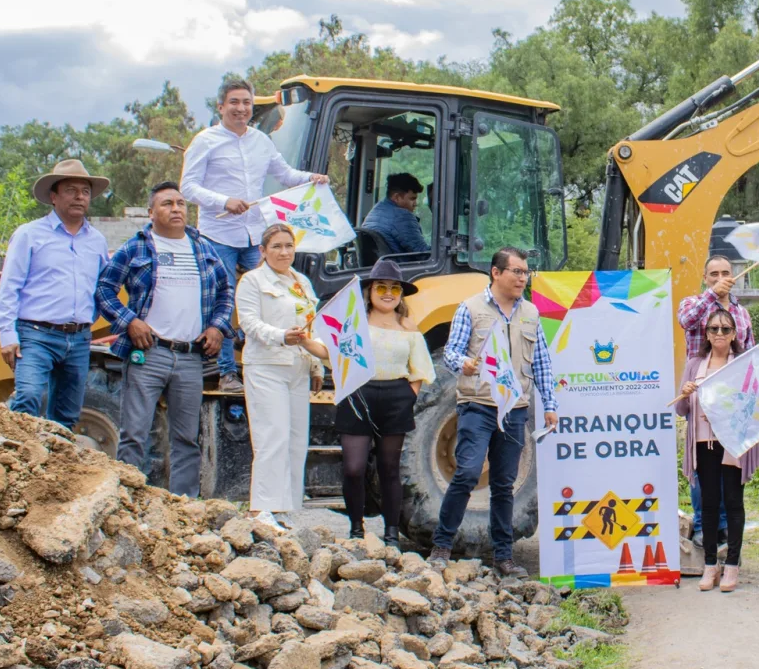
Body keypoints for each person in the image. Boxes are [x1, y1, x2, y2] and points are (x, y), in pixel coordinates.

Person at [180, 76, 329, 393]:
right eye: (234, 102)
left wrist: (312, 178)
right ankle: (227, 372)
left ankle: (267, 360)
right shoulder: (204, 141)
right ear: (221, 107)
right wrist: (223, 201)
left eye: (246, 102)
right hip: (219, 233)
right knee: (224, 300)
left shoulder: (262, 141)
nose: (241, 108)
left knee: (270, 291)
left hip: (254, 236)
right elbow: (187, 187)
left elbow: (285, 174)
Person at [96, 181, 235, 496]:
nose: (176, 209)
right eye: (167, 203)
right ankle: (127, 501)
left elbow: (226, 293)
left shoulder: (203, 248)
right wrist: (129, 322)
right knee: (134, 433)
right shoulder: (137, 247)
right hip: (148, 354)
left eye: (181, 204)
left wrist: (216, 327)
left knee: (186, 438)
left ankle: (183, 508)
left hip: (190, 357)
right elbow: (104, 289)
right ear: (151, 212)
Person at [428, 247, 560, 576]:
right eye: (516, 271)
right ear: (496, 273)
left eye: (525, 272)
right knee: (468, 473)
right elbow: (452, 354)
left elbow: (542, 362)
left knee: (504, 483)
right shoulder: (470, 309)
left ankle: (504, 557)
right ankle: (442, 546)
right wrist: (465, 364)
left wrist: (551, 405)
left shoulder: (530, 313)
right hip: (478, 405)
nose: (522, 278)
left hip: (514, 410)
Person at [0, 159, 112, 430]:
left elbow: (104, 288)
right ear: (54, 196)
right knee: (28, 398)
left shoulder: (96, 240)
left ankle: (55, 467)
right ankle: (13, 458)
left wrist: (92, 319)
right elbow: (9, 287)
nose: (79, 197)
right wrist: (7, 335)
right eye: (71, 190)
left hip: (79, 338)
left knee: (68, 414)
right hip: (37, 334)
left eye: (85, 191)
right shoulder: (29, 235)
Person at [337, 258, 435, 543]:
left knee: (389, 468)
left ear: (401, 294)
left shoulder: (408, 326)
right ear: (370, 290)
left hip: (395, 398)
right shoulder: (354, 322)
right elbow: (334, 352)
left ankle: (391, 533)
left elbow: (420, 367)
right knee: (353, 468)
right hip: (358, 394)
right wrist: (305, 343)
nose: (388, 292)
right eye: (381, 287)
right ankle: (357, 528)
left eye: (394, 288)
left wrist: (408, 397)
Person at [236, 224, 327, 527]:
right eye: (276, 246)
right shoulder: (252, 281)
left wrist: (317, 365)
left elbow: (313, 325)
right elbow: (249, 322)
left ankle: (284, 509)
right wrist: (280, 336)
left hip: (299, 367)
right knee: (271, 435)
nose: (284, 252)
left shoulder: (301, 282)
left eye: (289, 246)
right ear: (262, 251)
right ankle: (261, 508)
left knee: (296, 440)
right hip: (266, 366)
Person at [676, 308, 759, 592]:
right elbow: (680, 409)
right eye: (714, 329)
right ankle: (710, 565)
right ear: (706, 333)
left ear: (735, 334)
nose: (720, 334)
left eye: (726, 329)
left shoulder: (743, 364)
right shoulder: (694, 364)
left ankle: (733, 565)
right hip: (703, 443)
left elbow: (755, 404)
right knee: (709, 504)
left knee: (734, 503)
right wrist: (686, 394)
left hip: (732, 443)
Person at [676, 254, 755, 545]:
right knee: (702, 464)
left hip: (732, 398)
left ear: (733, 275)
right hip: (700, 394)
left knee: (729, 465)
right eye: (714, 274)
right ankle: (703, 525)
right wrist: (713, 294)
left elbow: (750, 352)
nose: (720, 278)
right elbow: (686, 321)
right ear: (705, 278)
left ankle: (724, 529)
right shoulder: (693, 303)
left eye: (725, 273)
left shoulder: (742, 313)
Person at [361, 173, 430, 255]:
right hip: (401, 266)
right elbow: (423, 253)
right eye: (412, 199)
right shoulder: (402, 216)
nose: (416, 203)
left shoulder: (376, 211)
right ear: (396, 197)